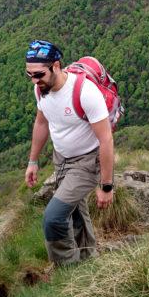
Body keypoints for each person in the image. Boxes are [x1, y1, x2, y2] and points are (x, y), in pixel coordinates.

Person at [23, 40, 115, 266]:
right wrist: (33, 160)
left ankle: (66, 269)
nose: (34, 80)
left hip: (87, 162)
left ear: (56, 65)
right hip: (61, 159)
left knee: (53, 218)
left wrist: (106, 186)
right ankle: (87, 260)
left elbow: (106, 140)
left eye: (38, 74)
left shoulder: (84, 91)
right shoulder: (40, 90)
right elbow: (41, 123)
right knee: (75, 212)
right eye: (29, 75)